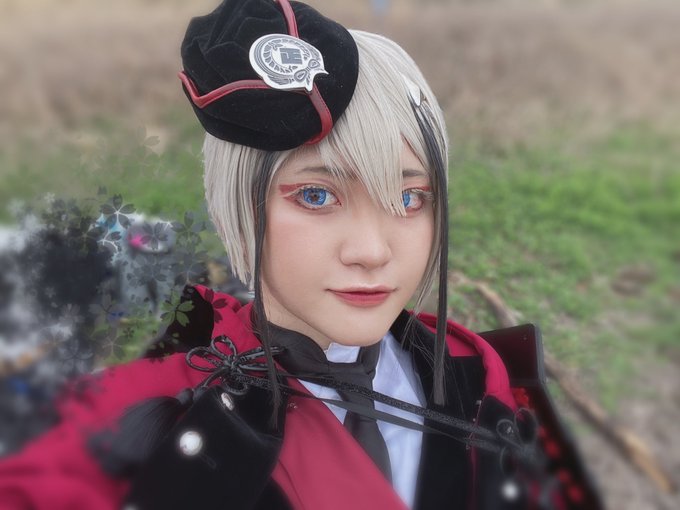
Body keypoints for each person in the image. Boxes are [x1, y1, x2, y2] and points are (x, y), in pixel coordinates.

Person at [0, 0, 600, 508]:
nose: (372, 251)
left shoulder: (475, 368)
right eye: (316, 195)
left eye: (409, 198)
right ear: (238, 206)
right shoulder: (125, 417)